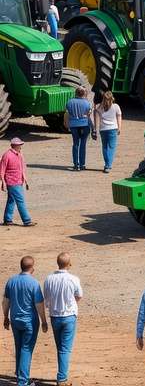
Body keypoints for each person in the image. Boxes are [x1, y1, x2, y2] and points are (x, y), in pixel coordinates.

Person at [4, 255, 47, 386]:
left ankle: (20, 374)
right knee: (26, 349)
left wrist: (5, 317)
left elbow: (5, 302)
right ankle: (23, 381)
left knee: (19, 347)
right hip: (30, 322)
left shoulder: (11, 281)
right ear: (32, 268)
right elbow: (39, 304)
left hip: (15, 320)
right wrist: (44, 321)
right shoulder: (33, 283)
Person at [42, 252, 81, 386]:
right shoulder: (74, 279)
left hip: (55, 317)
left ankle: (62, 375)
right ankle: (62, 378)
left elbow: (46, 298)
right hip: (69, 316)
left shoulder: (49, 279)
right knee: (65, 349)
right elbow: (79, 295)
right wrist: (72, 304)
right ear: (69, 264)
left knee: (60, 348)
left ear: (57, 263)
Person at [1, 137, 34, 226]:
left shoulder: (19, 155)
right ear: (14, 146)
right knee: (20, 201)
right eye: (19, 145)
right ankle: (27, 220)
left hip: (19, 181)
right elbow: (2, 170)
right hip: (12, 182)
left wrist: (26, 181)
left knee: (11, 200)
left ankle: (7, 220)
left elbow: (22, 168)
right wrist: (3, 183)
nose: (21, 147)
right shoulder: (7, 155)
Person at [65, 86, 93, 171]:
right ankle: (82, 164)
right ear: (84, 93)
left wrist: (66, 123)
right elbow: (89, 116)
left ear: (76, 93)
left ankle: (76, 164)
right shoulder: (87, 103)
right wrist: (93, 127)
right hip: (84, 125)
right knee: (83, 144)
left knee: (75, 144)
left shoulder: (69, 102)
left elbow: (67, 114)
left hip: (73, 125)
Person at [94, 90, 122, 173]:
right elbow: (119, 117)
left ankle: (107, 164)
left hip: (103, 129)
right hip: (113, 129)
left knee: (105, 147)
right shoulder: (116, 106)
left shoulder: (100, 107)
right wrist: (119, 128)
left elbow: (96, 114)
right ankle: (108, 165)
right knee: (111, 147)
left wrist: (95, 129)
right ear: (112, 98)